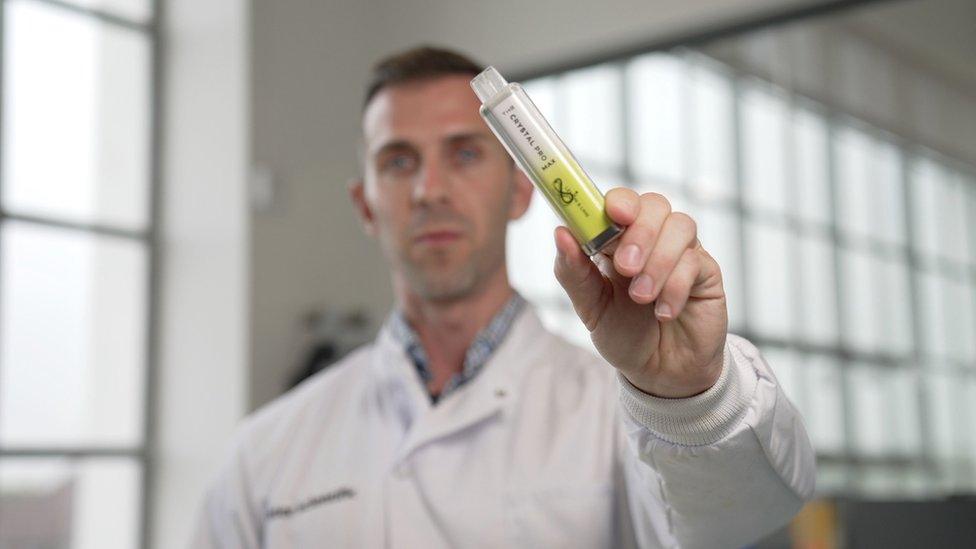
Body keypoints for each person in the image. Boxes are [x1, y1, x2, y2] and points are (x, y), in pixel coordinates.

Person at [191, 46, 815, 549]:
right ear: (366, 205)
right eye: (400, 162)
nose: (431, 189)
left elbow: (742, 521)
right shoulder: (265, 451)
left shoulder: (623, 413)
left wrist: (688, 397)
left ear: (521, 190)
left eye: (464, 154)